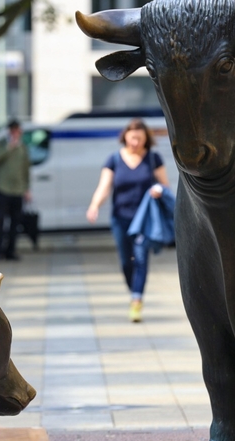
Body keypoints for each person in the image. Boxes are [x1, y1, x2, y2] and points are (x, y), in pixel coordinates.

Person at [86, 118, 170, 322]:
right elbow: (104, 186)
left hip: (143, 221)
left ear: (146, 139)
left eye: (140, 139)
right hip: (120, 218)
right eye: (132, 138)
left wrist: (159, 190)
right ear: (125, 137)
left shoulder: (153, 159)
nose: (135, 142)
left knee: (141, 259)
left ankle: (136, 300)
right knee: (126, 262)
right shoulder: (114, 159)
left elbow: (165, 185)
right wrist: (94, 205)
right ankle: (135, 291)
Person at [0, 119, 31, 261]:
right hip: (3, 190)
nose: (16, 134)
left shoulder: (23, 148)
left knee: (15, 224)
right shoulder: (2, 145)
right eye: (14, 131)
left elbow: (26, 170)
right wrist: (9, 146)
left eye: (18, 131)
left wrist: (27, 189)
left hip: (18, 191)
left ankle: (10, 251)